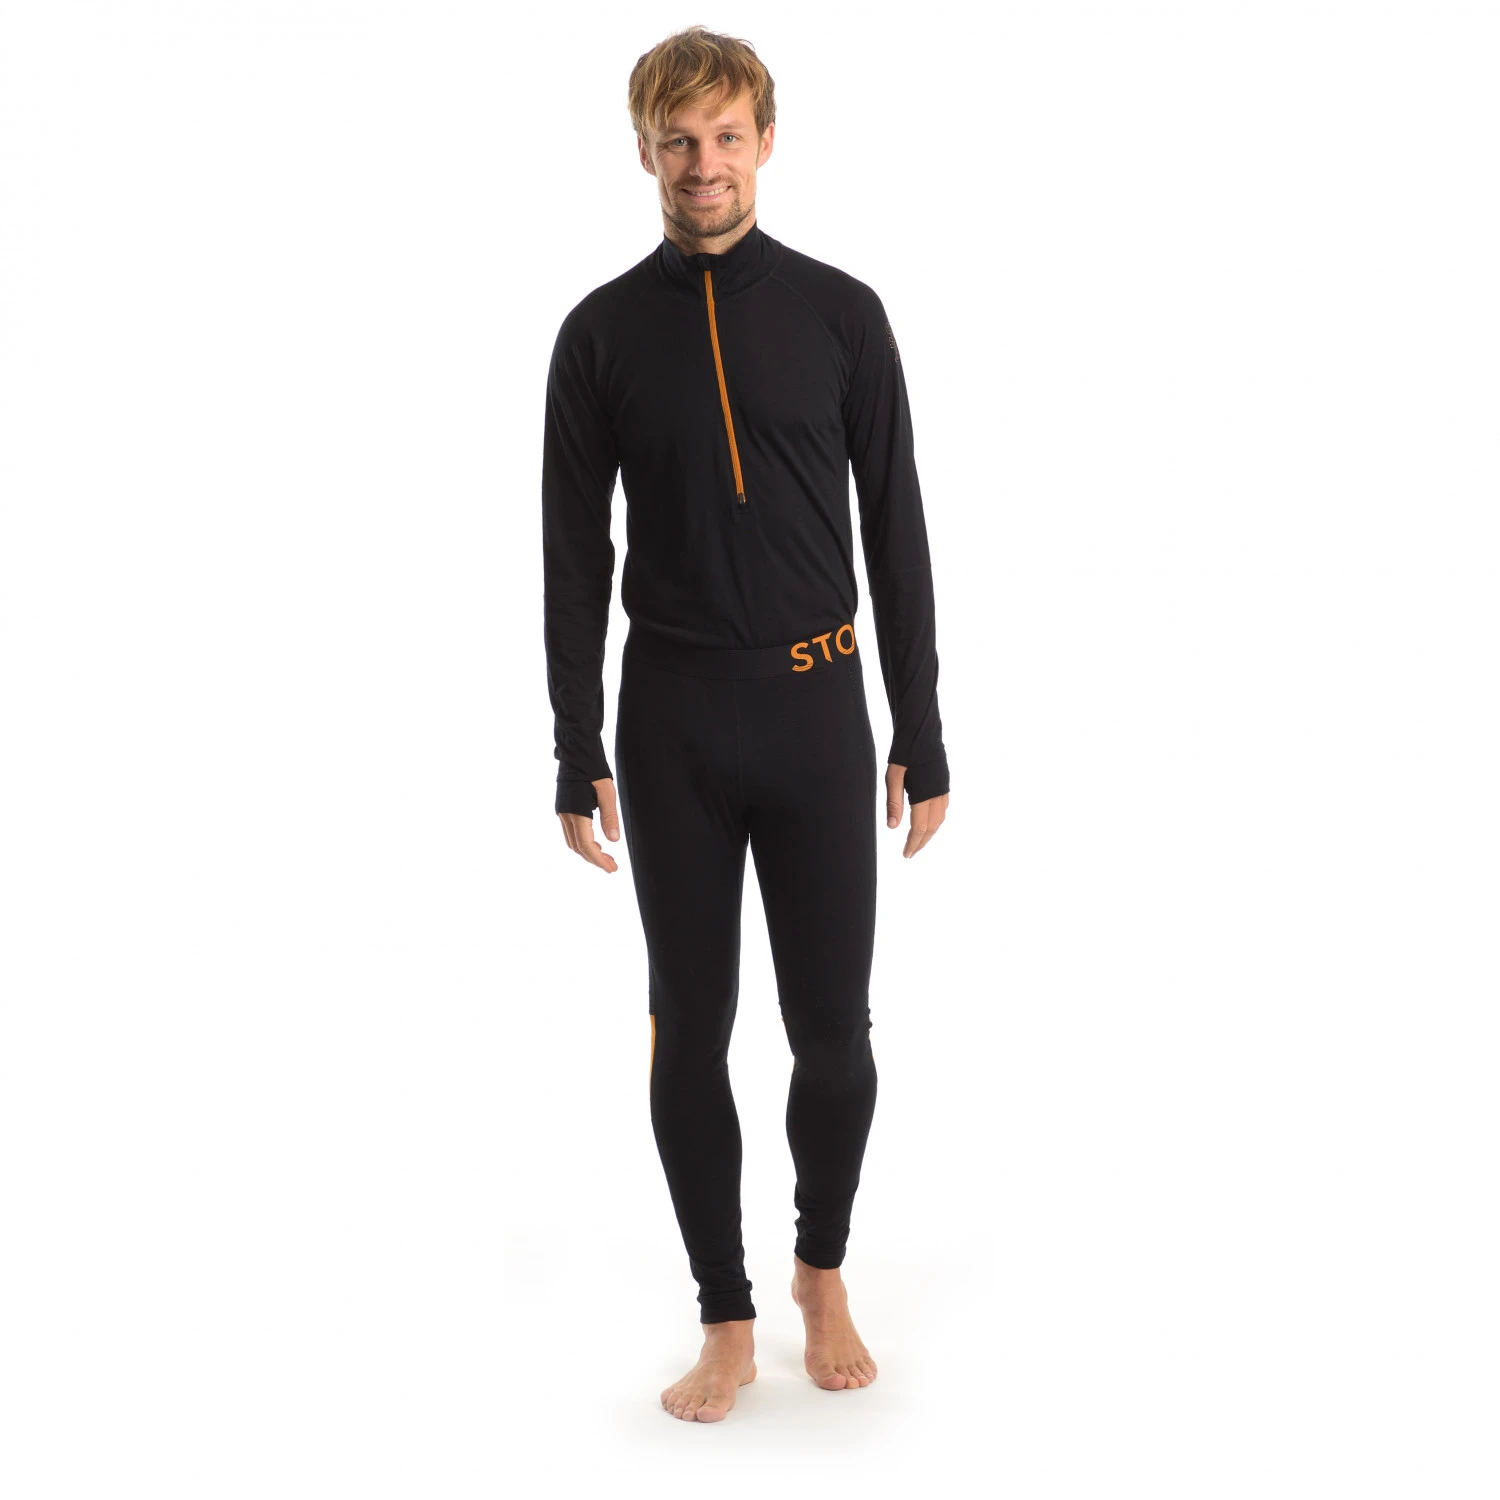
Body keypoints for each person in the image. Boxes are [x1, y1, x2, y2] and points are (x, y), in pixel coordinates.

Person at [541, 24, 951, 1422]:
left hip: (817, 708)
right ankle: (724, 1310)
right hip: (670, 721)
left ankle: (819, 1269)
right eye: (679, 140)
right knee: (691, 1023)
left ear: (766, 143)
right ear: (644, 151)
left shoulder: (842, 314)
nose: (702, 163)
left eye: (725, 137)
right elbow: (572, 555)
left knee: (834, 1031)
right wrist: (575, 741)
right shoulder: (598, 335)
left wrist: (921, 724)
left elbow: (895, 529)